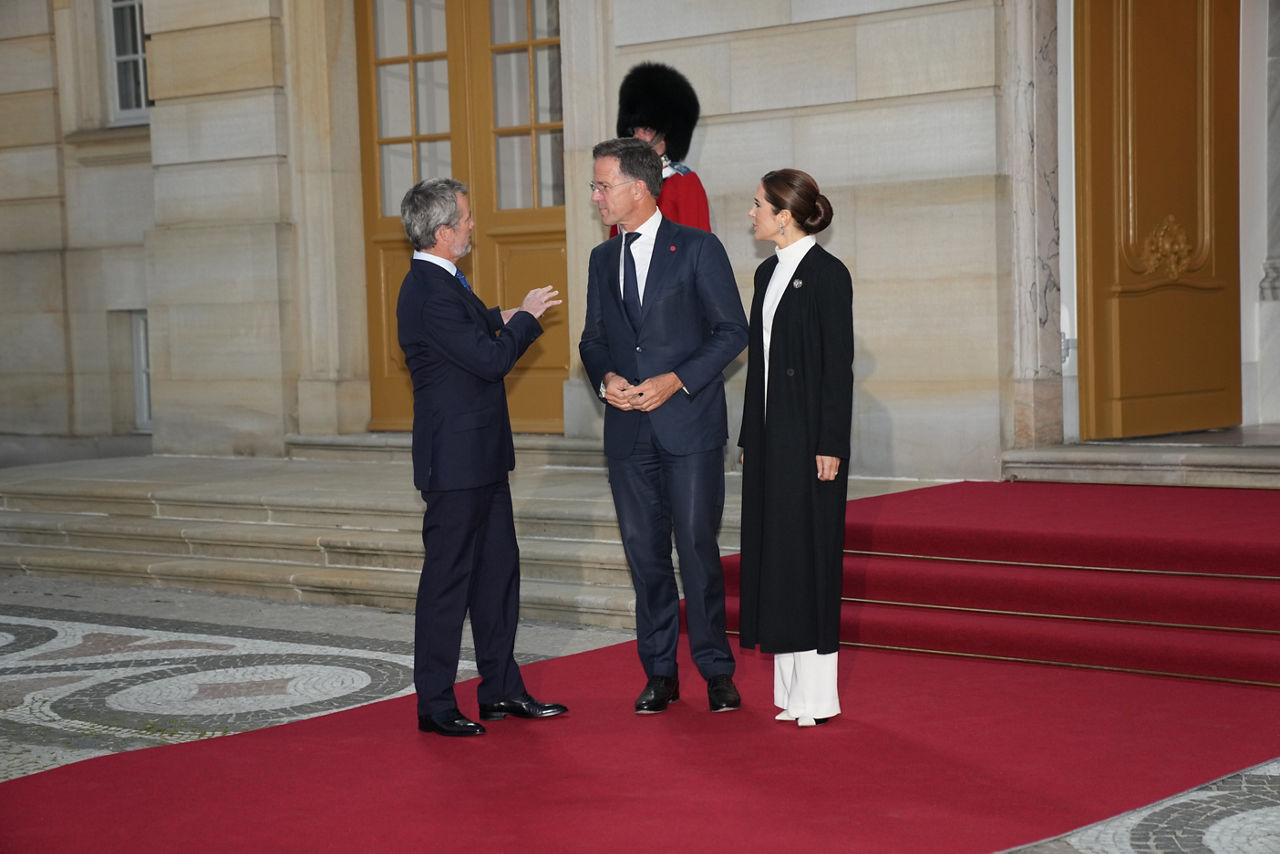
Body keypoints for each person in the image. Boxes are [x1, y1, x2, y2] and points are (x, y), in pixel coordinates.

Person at [579, 137, 748, 715]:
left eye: (603, 185)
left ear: (639, 188)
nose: (596, 195)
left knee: (697, 551)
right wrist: (605, 377)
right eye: (596, 186)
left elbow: (732, 332)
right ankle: (659, 672)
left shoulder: (699, 248)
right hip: (628, 434)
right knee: (644, 556)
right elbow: (593, 338)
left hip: (690, 427)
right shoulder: (604, 258)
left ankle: (716, 671)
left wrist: (676, 379)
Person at [397, 177, 567, 737]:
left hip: (483, 458)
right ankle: (435, 702)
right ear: (444, 232)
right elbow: (489, 360)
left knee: (497, 577)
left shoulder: (441, 281)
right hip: (455, 463)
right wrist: (523, 322)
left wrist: (505, 312)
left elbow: (469, 331)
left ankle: (500, 689)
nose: (473, 225)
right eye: (466, 218)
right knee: (448, 581)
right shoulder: (425, 289)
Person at [737, 169, 854, 728]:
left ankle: (818, 697)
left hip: (809, 441)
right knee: (775, 556)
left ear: (784, 214)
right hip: (767, 439)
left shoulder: (829, 275)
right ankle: (789, 693)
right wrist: (746, 437)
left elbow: (839, 366)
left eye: (757, 205)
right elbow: (757, 363)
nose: (751, 214)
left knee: (808, 557)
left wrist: (832, 440)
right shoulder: (765, 273)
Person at [614, 62, 710, 232]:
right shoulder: (625, 182)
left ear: (665, 133)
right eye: (634, 130)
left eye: (646, 129)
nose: (637, 137)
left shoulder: (683, 182)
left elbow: (698, 245)